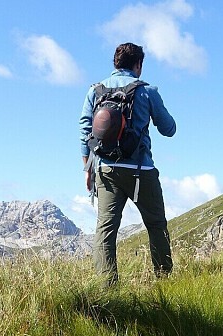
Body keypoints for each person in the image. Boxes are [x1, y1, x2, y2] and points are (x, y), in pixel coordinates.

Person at [80, 43, 177, 286]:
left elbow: (84, 131)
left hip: (105, 169)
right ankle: (164, 282)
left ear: (115, 63)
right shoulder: (147, 92)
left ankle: (107, 289)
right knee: (156, 225)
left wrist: (87, 169)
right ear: (138, 65)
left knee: (106, 229)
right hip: (141, 170)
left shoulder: (95, 91)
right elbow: (169, 129)